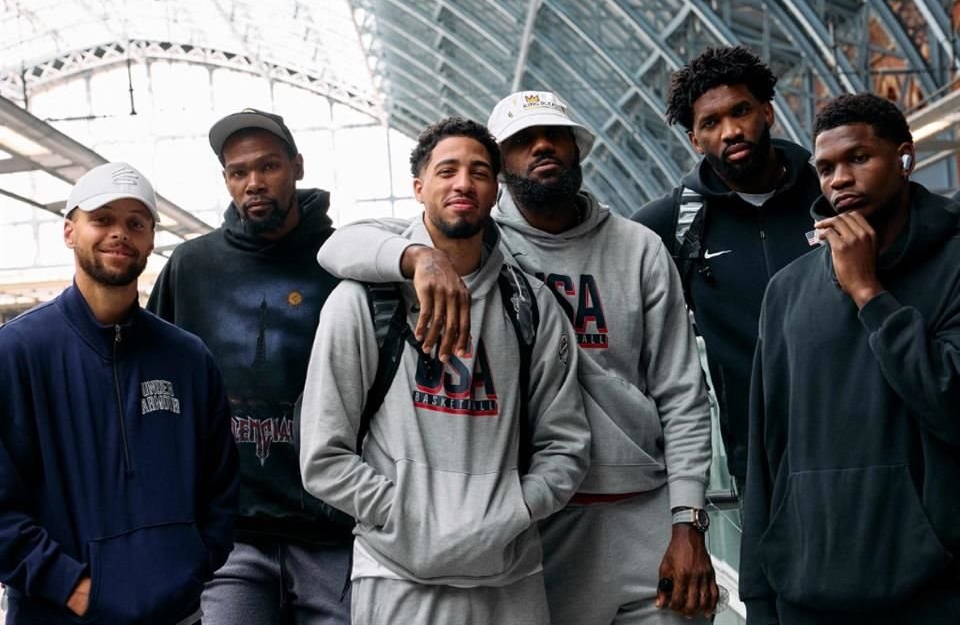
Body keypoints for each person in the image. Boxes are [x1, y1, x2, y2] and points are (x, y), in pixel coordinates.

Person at [316, 92, 717, 622]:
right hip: (535, 530)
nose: (543, 146)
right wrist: (419, 258)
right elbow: (338, 245)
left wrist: (688, 517)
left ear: (579, 148)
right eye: (522, 140)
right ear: (503, 167)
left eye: (556, 134)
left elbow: (683, 393)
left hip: (639, 506)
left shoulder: (639, 249)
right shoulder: (479, 237)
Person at [298, 117, 590, 625]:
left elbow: (566, 446)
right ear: (419, 188)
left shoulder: (533, 307)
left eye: (480, 172)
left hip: (511, 578)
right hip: (397, 579)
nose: (463, 183)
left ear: (496, 189)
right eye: (447, 170)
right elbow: (323, 456)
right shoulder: (362, 304)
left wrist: (514, 510)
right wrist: (403, 514)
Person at [740, 93, 960, 624]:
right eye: (826, 168)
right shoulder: (787, 289)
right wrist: (759, 592)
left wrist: (869, 294)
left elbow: (952, 403)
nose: (840, 179)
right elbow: (768, 447)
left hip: (935, 588)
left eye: (859, 158)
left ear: (905, 158)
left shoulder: (953, 262)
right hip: (807, 587)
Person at [0, 162, 238, 624]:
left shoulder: (187, 358)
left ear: (151, 239)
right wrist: (72, 587)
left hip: (176, 615)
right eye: (102, 219)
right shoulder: (17, 353)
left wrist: (190, 568)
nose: (119, 233)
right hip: (58, 616)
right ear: (70, 231)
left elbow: (221, 483)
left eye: (135, 223)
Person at [147, 109, 350, 624]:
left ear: (296, 167)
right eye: (239, 172)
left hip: (331, 532)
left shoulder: (342, 261)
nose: (254, 182)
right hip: (231, 537)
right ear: (226, 180)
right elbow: (149, 381)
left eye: (269, 166)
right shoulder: (191, 267)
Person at [632, 46, 821, 496]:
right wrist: (427, 248)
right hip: (757, 459)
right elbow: (579, 242)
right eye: (710, 123)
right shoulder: (674, 223)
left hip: (860, 437)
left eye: (741, 111)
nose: (731, 131)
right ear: (695, 140)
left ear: (768, 112)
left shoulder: (827, 194)